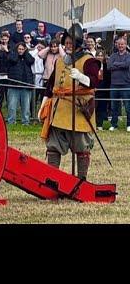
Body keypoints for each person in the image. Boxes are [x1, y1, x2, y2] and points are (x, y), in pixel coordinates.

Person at [38, 24, 100, 179]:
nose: (68, 46)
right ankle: (52, 179)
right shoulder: (60, 61)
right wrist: (43, 104)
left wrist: (80, 77)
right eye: (66, 43)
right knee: (53, 146)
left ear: (78, 44)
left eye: (71, 43)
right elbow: (51, 85)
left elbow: (94, 82)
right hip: (59, 111)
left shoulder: (89, 61)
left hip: (79, 109)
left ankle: (81, 180)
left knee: (81, 147)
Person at [6, 42, 35, 125]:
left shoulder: (27, 57)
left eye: (22, 49)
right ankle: (11, 121)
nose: (21, 51)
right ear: (16, 49)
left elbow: (31, 60)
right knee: (12, 106)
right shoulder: (12, 55)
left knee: (26, 107)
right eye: (19, 49)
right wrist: (17, 54)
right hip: (13, 85)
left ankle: (25, 122)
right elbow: (13, 60)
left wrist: (25, 53)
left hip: (25, 85)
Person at [107, 37, 130, 131]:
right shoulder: (112, 56)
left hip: (126, 84)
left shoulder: (129, 56)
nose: (120, 46)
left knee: (128, 106)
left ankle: (129, 125)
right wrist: (120, 64)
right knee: (114, 106)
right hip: (114, 84)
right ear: (117, 45)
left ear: (126, 45)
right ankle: (114, 124)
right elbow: (109, 66)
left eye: (122, 44)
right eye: (119, 44)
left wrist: (115, 64)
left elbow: (126, 65)